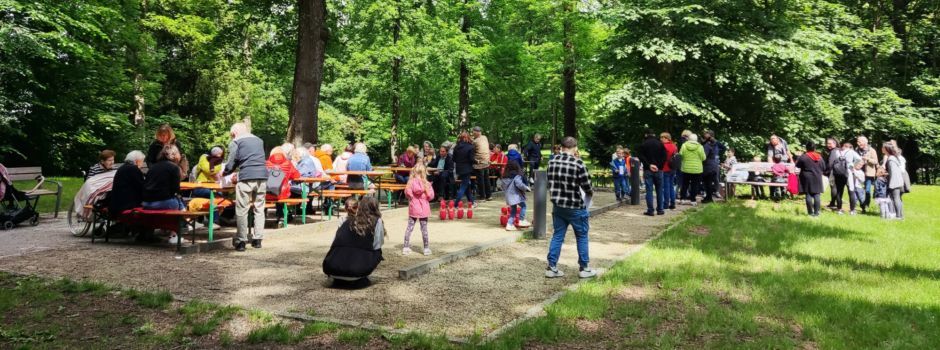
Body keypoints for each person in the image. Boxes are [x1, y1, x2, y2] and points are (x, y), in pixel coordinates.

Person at [545, 137, 596, 279]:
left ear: (561, 147)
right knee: (582, 236)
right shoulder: (578, 163)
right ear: (575, 147)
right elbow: (588, 187)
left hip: (558, 206)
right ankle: (584, 268)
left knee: (557, 236)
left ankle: (551, 267)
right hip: (575, 206)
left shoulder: (552, 161)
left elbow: (549, 182)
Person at [322, 196, 385, 289]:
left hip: (331, 268)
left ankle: (340, 275)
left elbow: (335, 242)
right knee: (378, 251)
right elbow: (377, 244)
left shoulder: (345, 220)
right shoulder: (376, 221)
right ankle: (361, 276)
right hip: (356, 271)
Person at [223, 123, 267, 251]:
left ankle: (241, 241)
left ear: (235, 133)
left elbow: (232, 161)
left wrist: (225, 173)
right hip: (262, 177)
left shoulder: (236, 142)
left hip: (246, 177)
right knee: (259, 208)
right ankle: (257, 240)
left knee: (242, 209)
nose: (232, 137)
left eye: (232, 135)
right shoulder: (259, 140)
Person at [142, 145, 185, 243]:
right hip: (162, 202)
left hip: (146, 203)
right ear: (175, 155)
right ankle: (174, 234)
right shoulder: (174, 167)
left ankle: (163, 230)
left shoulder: (153, 167)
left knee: (178, 201)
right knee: (180, 205)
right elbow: (175, 189)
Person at [402, 163, 435, 255]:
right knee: (424, 229)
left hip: (413, 208)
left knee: (409, 227)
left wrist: (412, 197)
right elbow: (431, 196)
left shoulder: (410, 182)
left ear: (414, 171)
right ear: (424, 172)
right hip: (424, 209)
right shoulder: (427, 184)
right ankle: (426, 248)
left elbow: (407, 193)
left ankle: (405, 247)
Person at [637, 129, 667, 216]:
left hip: (647, 170)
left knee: (649, 190)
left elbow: (641, 157)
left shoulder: (644, 144)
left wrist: (649, 165)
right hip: (659, 170)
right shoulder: (660, 144)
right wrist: (657, 165)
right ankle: (660, 209)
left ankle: (650, 210)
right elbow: (664, 157)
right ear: (654, 134)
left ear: (646, 135)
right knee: (659, 190)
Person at [110, 151, 146, 219]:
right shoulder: (133, 169)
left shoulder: (122, 168)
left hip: (117, 204)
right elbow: (142, 187)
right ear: (137, 161)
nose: (142, 164)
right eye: (142, 161)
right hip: (127, 205)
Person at [796, 141, 827, 217]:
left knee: (808, 194)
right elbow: (824, 167)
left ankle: (810, 213)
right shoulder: (819, 157)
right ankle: (816, 213)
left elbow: (797, 166)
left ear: (806, 148)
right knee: (817, 194)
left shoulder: (803, 156)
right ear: (815, 148)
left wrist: (798, 157)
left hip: (806, 177)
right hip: (817, 177)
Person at [499, 161, 531, 231]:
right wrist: (526, 188)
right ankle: (521, 220)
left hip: (509, 197)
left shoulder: (504, 177)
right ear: (517, 167)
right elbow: (519, 184)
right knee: (523, 206)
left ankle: (509, 224)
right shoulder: (517, 176)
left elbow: (501, 186)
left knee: (513, 210)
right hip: (516, 196)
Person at [678, 134, 706, 205]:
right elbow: (703, 158)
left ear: (689, 139)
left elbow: (680, 155)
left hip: (685, 168)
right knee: (695, 185)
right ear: (696, 139)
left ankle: (682, 199)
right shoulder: (700, 147)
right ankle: (693, 200)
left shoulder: (684, 145)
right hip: (697, 169)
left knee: (684, 184)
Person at [452, 132, 476, 208]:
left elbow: (454, 159)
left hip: (459, 169)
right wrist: (477, 161)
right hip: (467, 169)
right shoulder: (470, 147)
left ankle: (472, 202)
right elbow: (471, 159)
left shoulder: (456, 147)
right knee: (463, 186)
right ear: (468, 138)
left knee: (467, 185)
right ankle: (456, 204)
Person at [856, 136, 879, 211]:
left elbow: (876, 161)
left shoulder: (871, 150)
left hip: (868, 174)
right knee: (858, 189)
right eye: (857, 142)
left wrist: (868, 159)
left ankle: (866, 204)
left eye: (860, 142)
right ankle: (857, 204)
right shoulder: (856, 150)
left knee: (867, 190)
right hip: (858, 172)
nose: (858, 143)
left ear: (865, 142)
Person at [701, 130, 725, 203]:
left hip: (708, 166)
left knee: (707, 182)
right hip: (714, 165)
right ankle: (708, 197)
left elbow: (704, 156)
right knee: (709, 182)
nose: (704, 135)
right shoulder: (714, 144)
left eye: (706, 134)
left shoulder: (708, 145)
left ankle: (709, 198)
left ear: (710, 136)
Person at [883, 142, 904, 219]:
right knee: (897, 198)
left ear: (886, 149)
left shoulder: (891, 159)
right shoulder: (893, 158)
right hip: (897, 181)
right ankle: (900, 215)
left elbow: (894, 172)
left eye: (883, 148)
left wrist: (891, 183)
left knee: (896, 198)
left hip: (895, 182)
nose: (881, 149)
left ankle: (898, 216)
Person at [471, 126, 492, 200]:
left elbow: (472, 152)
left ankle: (482, 196)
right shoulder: (485, 137)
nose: (472, 133)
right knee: (487, 179)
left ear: (476, 132)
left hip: (479, 163)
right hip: (486, 162)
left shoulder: (475, 141)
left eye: (473, 132)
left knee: (481, 181)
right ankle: (489, 196)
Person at [661, 133, 678, 209]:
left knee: (666, 187)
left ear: (667, 138)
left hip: (665, 168)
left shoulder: (663, 146)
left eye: (662, 137)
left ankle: (666, 204)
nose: (661, 139)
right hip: (673, 168)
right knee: (671, 186)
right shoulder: (674, 146)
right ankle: (673, 203)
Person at [824, 137, 840, 209]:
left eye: (830, 143)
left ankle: (833, 203)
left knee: (833, 187)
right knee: (837, 188)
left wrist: (826, 172)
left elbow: (830, 163)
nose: (828, 145)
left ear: (835, 143)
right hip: (839, 171)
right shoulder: (839, 150)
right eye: (827, 143)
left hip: (833, 172)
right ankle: (836, 202)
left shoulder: (833, 151)